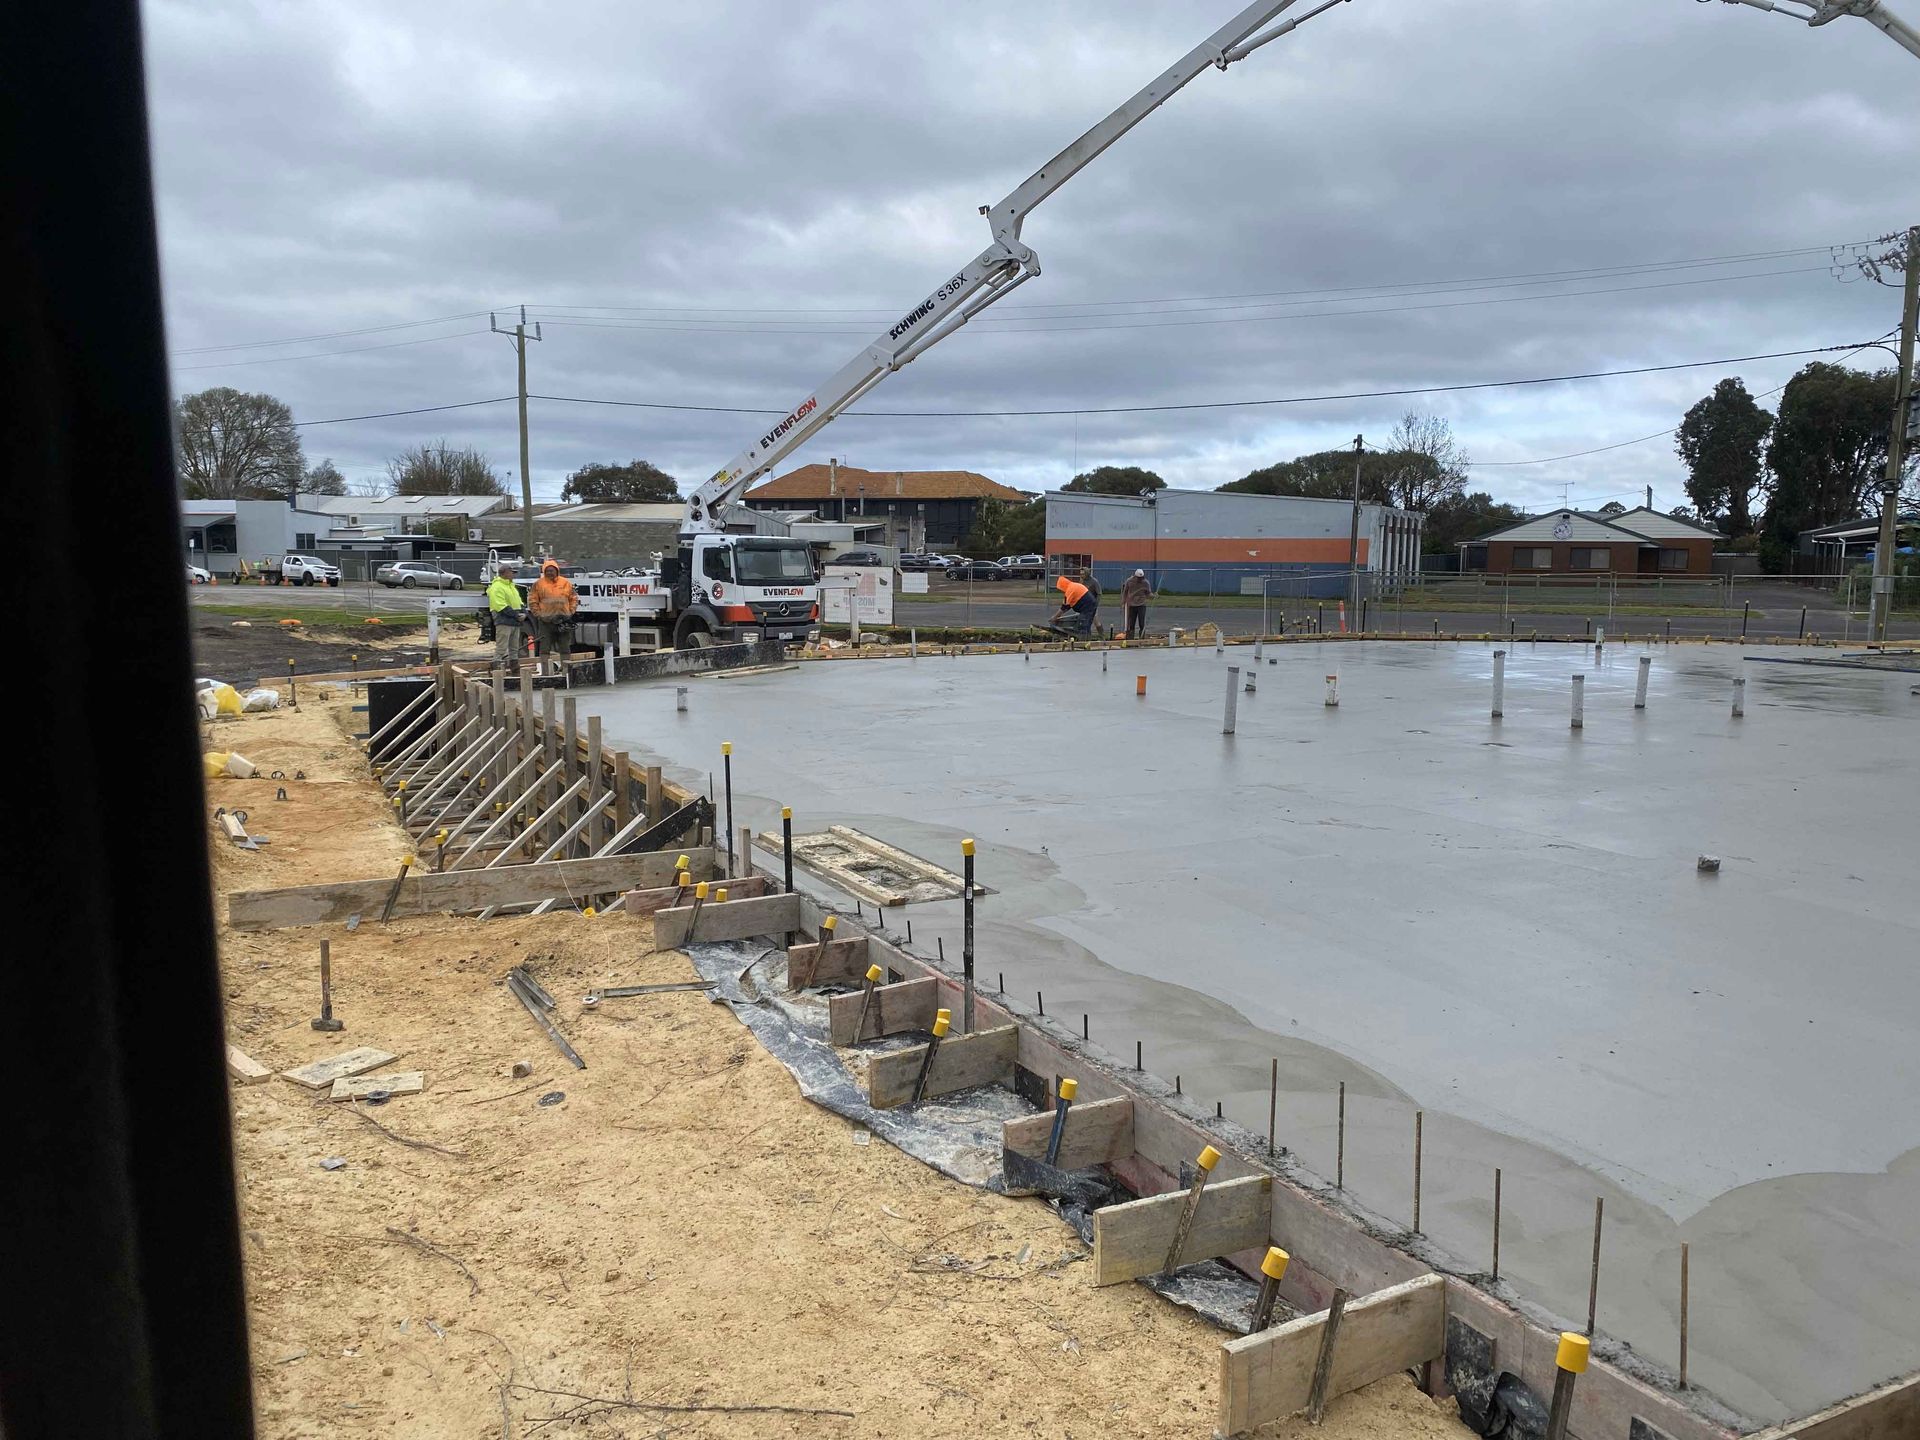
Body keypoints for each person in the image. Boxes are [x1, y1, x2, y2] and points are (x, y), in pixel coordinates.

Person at [526, 560, 579, 671]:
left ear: (557, 570)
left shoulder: (565, 583)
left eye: (552, 570)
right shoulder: (538, 584)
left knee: (565, 648)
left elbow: (573, 598)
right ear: (544, 571)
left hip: (563, 621)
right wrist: (539, 615)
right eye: (548, 570)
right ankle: (545, 671)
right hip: (546, 622)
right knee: (544, 649)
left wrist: (570, 612)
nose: (550, 572)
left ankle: (566, 671)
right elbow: (532, 601)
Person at [485, 562, 525, 662]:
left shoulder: (511, 586)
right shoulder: (497, 587)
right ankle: (497, 669)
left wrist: (524, 612)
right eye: (512, 572)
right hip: (503, 621)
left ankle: (514, 669)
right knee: (501, 648)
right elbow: (500, 606)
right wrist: (517, 615)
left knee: (514, 649)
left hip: (514, 622)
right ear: (505, 573)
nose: (513, 575)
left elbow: (519, 602)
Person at [1120, 568, 1151, 639]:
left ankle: (1142, 639)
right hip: (1132, 605)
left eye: (1141, 578)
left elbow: (1148, 593)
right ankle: (1130, 639)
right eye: (1139, 578)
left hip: (1141, 604)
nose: (1140, 579)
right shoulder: (1129, 581)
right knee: (1131, 623)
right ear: (1135, 576)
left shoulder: (1145, 582)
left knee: (1141, 623)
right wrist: (1123, 602)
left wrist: (1153, 596)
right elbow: (1125, 592)